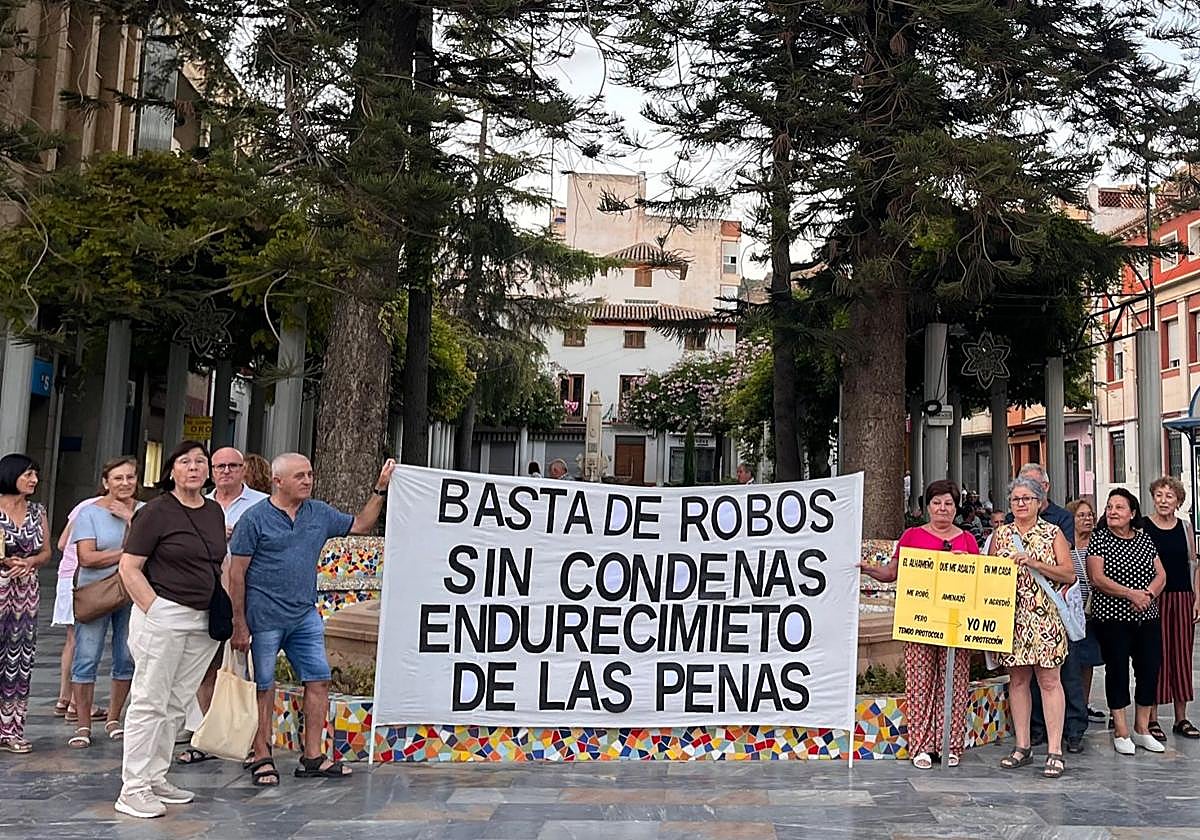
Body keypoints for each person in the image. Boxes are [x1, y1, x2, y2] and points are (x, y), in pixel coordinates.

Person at [230, 453, 395, 786]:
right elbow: (237, 575)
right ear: (278, 481)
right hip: (264, 617)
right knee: (263, 686)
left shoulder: (318, 513)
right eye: (299, 476)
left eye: (309, 474)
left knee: (318, 680)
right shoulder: (255, 519)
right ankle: (261, 754)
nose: (307, 480)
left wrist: (380, 489)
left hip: (304, 613)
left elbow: (360, 525)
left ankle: (312, 756)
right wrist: (239, 623)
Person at [115, 441, 225, 819]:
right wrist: (154, 608)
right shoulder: (157, 512)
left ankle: (156, 775)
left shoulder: (212, 511)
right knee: (149, 700)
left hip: (201, 621)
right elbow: (129, 567)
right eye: (185, 462)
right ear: (172, 470)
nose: (194, 468)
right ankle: (133, 787)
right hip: (164, 616)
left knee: (177, 703)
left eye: (200, 461)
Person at [860, 479, 979, 769]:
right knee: (919, 684)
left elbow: (980, 582)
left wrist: (967, 566)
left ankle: (948, 745)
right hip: (919, 622)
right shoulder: (912, 536)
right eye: (937, 503)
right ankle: (921, 746)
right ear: (927, 507)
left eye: (948, 503)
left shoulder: (967, 540)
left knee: (953, 682)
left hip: (955, 625)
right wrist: (869, 570)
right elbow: (892, 572)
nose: (942, 508)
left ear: (956, 508)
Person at [176, 446, 269, 765]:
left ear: (244, 469)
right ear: (211, 471)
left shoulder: (261, 505)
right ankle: (207, 733)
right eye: (219, 466)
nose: (226, 471)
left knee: (251, 671)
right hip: (206, 595)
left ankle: (252, 741)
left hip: (250, 596)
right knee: (206, 667)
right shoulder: (197, 503)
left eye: (233, 465)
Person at [990, 475, 1075, 778]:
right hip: (1012, 617)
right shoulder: (1000, 535)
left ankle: (1054, 749)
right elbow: (990, 574)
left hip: (1045, 616)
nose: (1021, 503)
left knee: (1050, 680)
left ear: (1039, 502)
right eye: (1016, 499)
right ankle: (1022, 745)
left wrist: (1037, 564)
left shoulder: (1053, 533)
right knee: (1018, 681)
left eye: (1027, 498)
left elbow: (1069, 574)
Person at [1087, 488, 1167, 756]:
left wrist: (1148, 594)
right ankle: (1121, 730)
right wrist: (1129, 593)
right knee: (1118, 671)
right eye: (1109, 507)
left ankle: (1142, 728)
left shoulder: (1144, 540)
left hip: (1147, 616)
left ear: (1132, 513)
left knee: (1149, 669)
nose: (1112, 512)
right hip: (1113, 618)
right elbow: (1097, 578)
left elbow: (1161, 575)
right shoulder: (1099, 540)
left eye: (1119, 507)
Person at [68, 457, 142, 748]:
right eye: (118, 478)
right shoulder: (89, 513)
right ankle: (83, 725)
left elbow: (154, 548)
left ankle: (114, 718)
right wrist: (127, 553)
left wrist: (130, 519)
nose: (125, 483)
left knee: (126, 657)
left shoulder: (145, 512)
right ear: (105, 482)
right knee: (86, 656)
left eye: (130, 478)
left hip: (132, 591)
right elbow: (87, 557)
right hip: (95, 592)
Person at [1142, 477, 1200, 740]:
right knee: (1154, 656)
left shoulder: (1186, 528)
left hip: (1182, 598)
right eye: (1159, 495)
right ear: (1153, 498)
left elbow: (1194, 565)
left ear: (1178, 501)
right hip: (1155, 599)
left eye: (1169, 496)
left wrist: (1197, 598)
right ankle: (1152, 718)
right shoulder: (1143, 527)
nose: (1164, 500)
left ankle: (1181, 718)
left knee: (1182, 657)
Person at [0, 453, 50, 753]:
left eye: (35, 474)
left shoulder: (37, 511)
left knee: (18, 661)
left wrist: (31, 561)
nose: (33, 480)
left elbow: (46, 551)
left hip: (25, 592)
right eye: (27, 474)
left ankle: (11, 729)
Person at [52, 495, 101, 720]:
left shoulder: (83, 504)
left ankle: (64, 697)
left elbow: (62, 543)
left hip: (66, 575)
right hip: (84, 578)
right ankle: (77, 703)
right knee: (84, 639)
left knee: (72, 639)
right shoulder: (106, 508)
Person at [1066, 498, 1106, 724]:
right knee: (1071, 660)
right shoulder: (1066, 546)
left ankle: (1084, 702)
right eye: (1081, 515)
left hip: (1093, 612)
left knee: (1088, 660)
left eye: (1090, 515)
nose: (1087, 519)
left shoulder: (1098, 544)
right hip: (1072, 611)